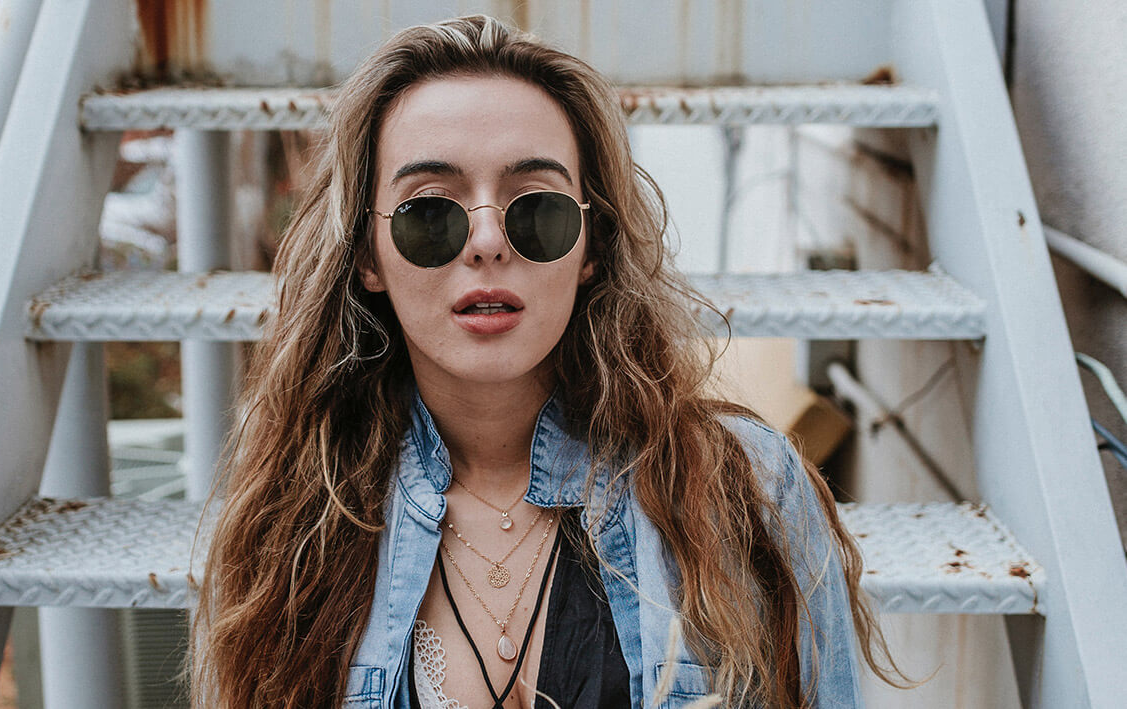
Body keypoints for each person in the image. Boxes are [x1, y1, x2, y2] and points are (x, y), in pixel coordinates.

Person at [191, 14, 901, 708]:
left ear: (592, 246)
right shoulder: (293, 522)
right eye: (429, 211)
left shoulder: (749, 491)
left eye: (537, 206)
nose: (488, 241)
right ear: (367, 255)